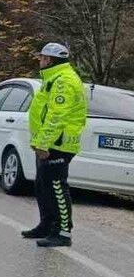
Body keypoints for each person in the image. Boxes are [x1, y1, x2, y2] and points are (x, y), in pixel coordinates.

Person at [22, 42, 87, 247]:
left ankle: (63, 231)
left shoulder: (63, 81)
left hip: (57, 144)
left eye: (41, 57)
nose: (39, 61)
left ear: (48, 60)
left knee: (57, 186)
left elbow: (57, 116)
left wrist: (43, 143)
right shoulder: (52, 78)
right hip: (49, 142)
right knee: (42, 185)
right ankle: (47, 224)